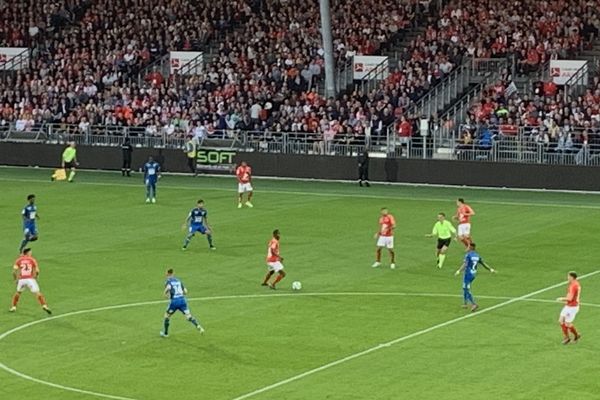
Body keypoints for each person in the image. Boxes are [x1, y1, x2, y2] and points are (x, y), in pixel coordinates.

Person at [160, 268, 204, 337]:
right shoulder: (178, 281)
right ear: (173, 273)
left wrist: (165, 293)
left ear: (167, 273)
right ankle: (198, 326)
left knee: (167, 316)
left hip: (174, 302)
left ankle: (165, 333)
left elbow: (168, 288)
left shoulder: (168, 281)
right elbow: (186, 291)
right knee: (189, 316)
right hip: (182, 300)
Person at [454, 243, 496, 312]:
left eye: (468, 247)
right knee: (465, 287)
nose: (467, 248)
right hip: (473, 274)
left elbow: (465, 264)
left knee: (466, 288)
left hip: (468, 273)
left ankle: (474, 304)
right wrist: (491, 269)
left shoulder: (468, 255)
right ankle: (465, 303)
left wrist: (459, 271)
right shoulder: (477, 255)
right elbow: (483, 263)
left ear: (471, 248)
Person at [10, 248, 52, 314]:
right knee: (37, 293)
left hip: (22, 280)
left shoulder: (18, 260)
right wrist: (36, 276)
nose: (31, 253)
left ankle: (13, 307)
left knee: (18, 292)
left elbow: (14, 272)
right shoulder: (32, 259)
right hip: (30, 279)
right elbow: (37, 271)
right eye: (30, 252)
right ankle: (44, 305)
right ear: (27, 253)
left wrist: (15, 280)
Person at [556, 271, 582, 345]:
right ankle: (567, 338)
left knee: (567, 323)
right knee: (561, 320)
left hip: (572, 307)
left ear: (571, 277)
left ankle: (576, 335)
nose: (567, 278)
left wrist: (561, 298)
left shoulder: (573, 285)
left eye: (568, 276)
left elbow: (570, 298)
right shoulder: (576, 283)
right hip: (569, 306)